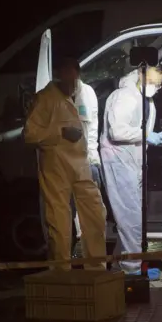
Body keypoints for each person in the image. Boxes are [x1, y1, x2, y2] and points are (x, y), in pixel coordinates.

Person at [23, 57, 108, 271]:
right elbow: (30, 134)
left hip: (82, 164)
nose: (69, 80)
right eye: (64, 74)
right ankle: (61, 272)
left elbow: (92, 126)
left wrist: (92, 156)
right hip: (55, 166)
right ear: (58, 74)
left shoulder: (85, 93)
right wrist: (59, 133)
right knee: (59, 221)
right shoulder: (45, 98)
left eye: (72, 75)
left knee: (95, 214)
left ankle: (96, 268)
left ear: (78, 74)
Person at [100, 65, 162, 275]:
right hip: (119, 162)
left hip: (132, 163)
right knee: (131, 219)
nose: (156, 88)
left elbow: (138, 128)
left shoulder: (144, 98)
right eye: (153, 83)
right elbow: (118, 131)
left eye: (159, 85)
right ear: (141, 76)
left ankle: (119, 265)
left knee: (130, 217)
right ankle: (132, 270)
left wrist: (152, 134)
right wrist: (148, 135)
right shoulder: (124, 97)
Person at [67, 61, 103, 253]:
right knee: (69, 213)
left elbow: (86, 129)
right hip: (70, 163)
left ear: (77, 73)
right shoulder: (62, 94)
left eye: (69, 72)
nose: (66, 77)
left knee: (90, 214)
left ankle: (94, 260)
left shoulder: (85, 94)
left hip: (87, 161)